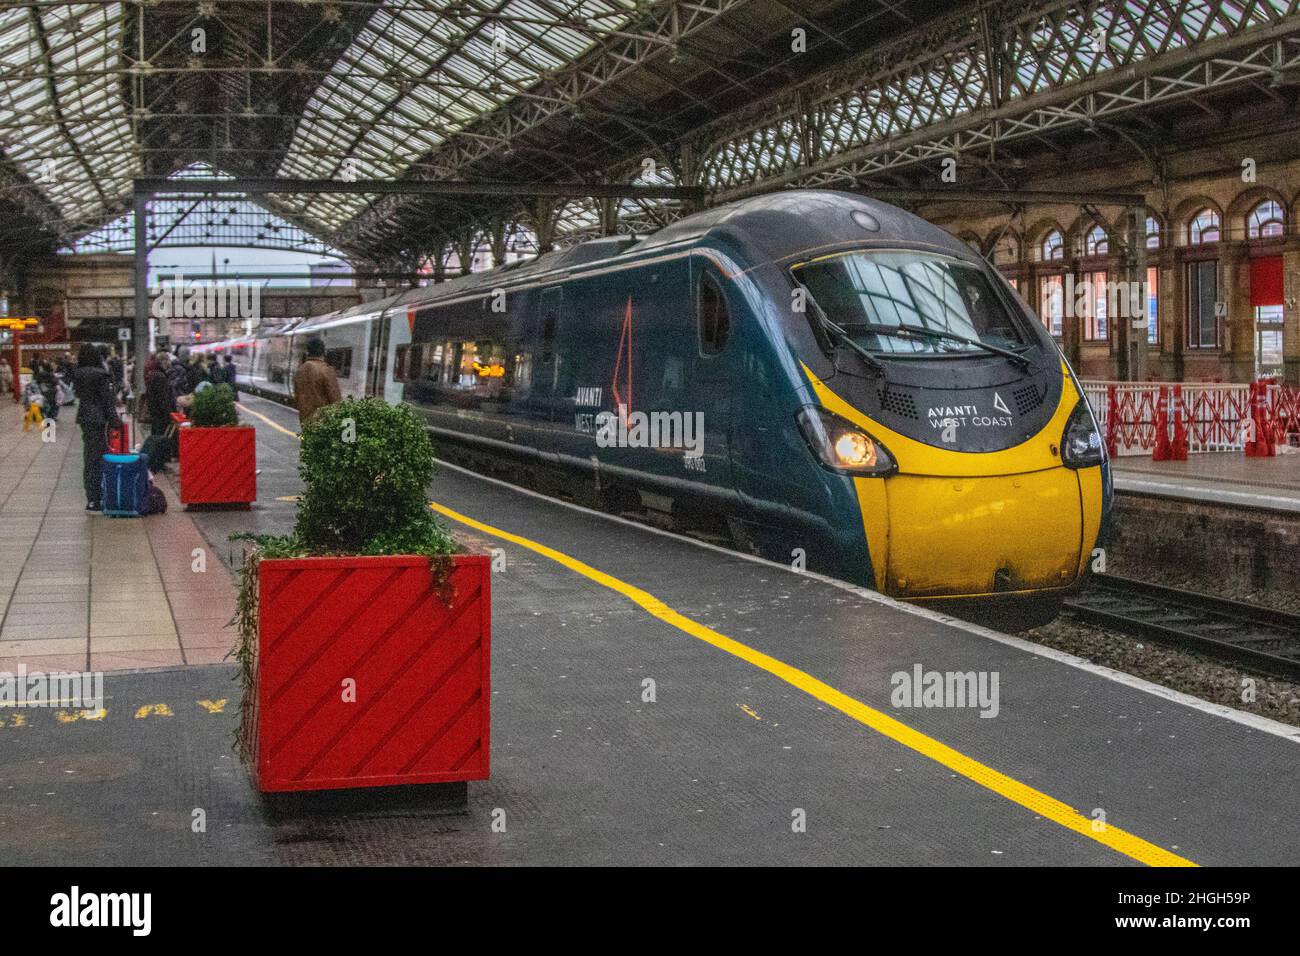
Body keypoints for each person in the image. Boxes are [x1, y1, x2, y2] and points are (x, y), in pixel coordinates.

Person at [71, 343, 120, 512]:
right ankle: (97, 497)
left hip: (85, 418)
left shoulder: (78, 374)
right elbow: (107, 401)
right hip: (99, 419)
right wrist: (115, 420)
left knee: (89, 458)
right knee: (98, 458)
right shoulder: (101, 375)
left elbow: (78, 394)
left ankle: (91, 497)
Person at [293, 338, 341, 425]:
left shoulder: (300, 370)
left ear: (308, 352)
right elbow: (335, 398)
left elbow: (296, 397)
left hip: (305, 420)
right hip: (323, 422)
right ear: (324, 352)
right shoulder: (326, 370)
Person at [145, 351, 175, 440]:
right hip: (161, 415)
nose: (169, 363)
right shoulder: (160, 376)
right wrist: (168, 414)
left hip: (155, 413)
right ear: (163, 361)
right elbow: (163, 398)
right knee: (161, 437)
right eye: (168, 360)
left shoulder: (153, 374)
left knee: (155, 435)